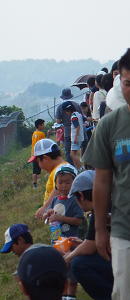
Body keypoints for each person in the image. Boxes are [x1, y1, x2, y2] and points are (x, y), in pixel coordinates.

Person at [82, 48, 130, 299]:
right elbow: (101, 181)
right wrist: (100, 229)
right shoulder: (110, 126)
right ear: (119, 83)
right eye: (128, 83)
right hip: (124, 229)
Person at [64, 170, 113, 300]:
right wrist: (81, 244)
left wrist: (67, 259)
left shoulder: (99, 210)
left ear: (81, 195)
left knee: (78, 264)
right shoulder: (114, 202)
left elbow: (89, 247)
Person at [42, 166, 84, 299]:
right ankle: (63, 295)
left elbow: (78, 221)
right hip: (57, 243)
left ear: (74, 182)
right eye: (60, 182)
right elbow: (45, 216)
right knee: (60, 270)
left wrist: (60, 218)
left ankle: (71, 296)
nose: (64, 186)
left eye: (68, 182)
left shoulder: (75, 200)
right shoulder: (55, 200)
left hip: (71, 242)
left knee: (71, 270)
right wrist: (47, 213)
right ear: (56, 183)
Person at [30, 139, 77, 220]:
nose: (38, 165)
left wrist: (45, 207)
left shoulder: (63, 169)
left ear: (45, 158)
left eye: (38, 161)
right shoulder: (58, 170)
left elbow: (59, 189)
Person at [56, 88, 86, 167]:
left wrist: (64, 122)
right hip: (79, 131)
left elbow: (58, 121)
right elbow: (82, 116)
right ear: (71, 96)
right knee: (78, 150)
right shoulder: (76, 104)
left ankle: (71, 167)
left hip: (67, 131)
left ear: (63, 97)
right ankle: (81, 165)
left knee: (68, 151)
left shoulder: (60, 107)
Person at [61, 101, 85, 170]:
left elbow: (77, 127)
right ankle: (77, 169)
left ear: (68, 110)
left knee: (72, 154)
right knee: (73, 154)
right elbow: (85, 119)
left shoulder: (73, 116)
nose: (66, 113)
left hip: (76, 138)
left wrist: (75, 138)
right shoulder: (79, 114)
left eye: (65, 112)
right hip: (80, 137)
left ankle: (82, 168)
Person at [31, 119, 46, 188]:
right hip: (40, 153)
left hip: (34, 154)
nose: (44, 126)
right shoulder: (41, 134)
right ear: (39, 126)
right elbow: (44, 143)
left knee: (35, 169)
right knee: (46, 164)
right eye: (43, 124)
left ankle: (34, 183)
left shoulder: (34, 134)